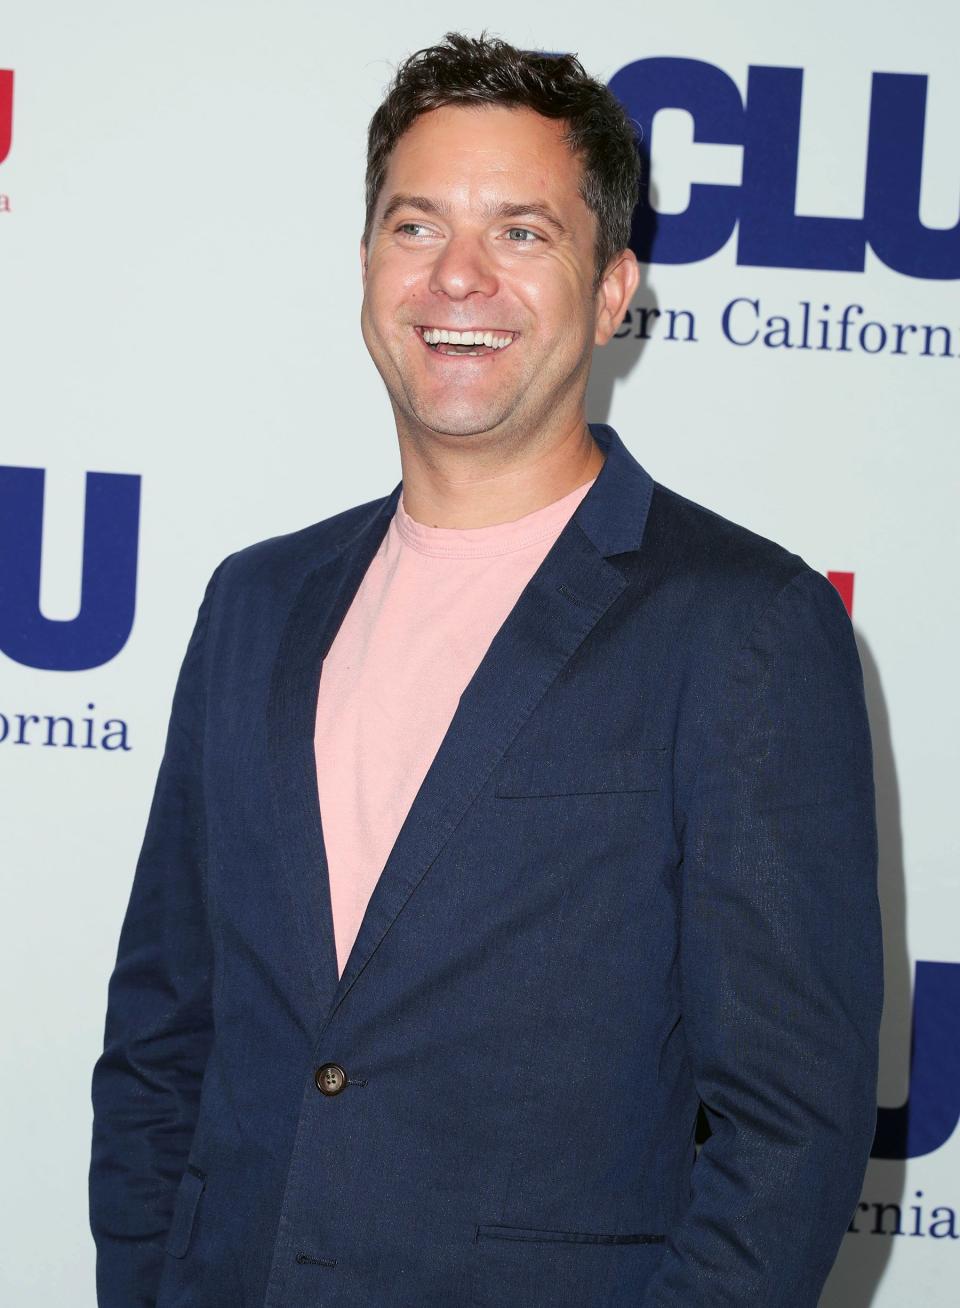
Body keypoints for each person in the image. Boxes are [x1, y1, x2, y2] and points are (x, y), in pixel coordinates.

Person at [89, 30, 884, 1308]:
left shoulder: (744, 628)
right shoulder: (254, 603)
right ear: (365, 267)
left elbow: (791, 1131)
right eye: (416, 227)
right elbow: (162, 1043)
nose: (458, 276)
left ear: (614, 287)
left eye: (522, 233)